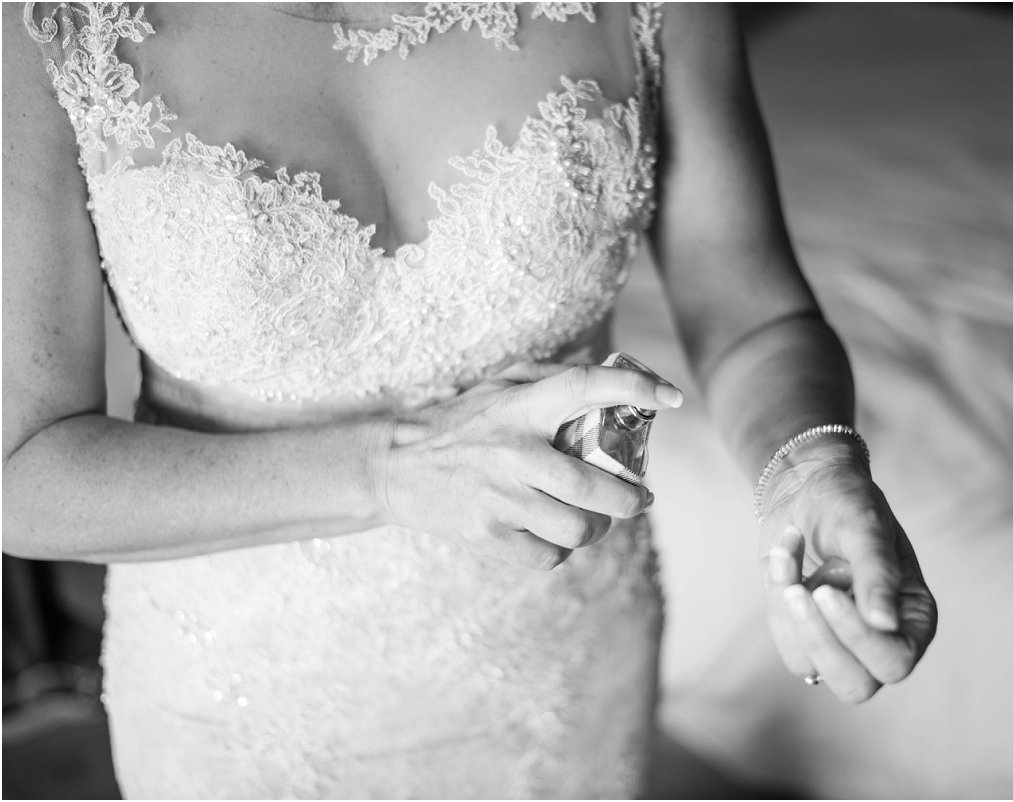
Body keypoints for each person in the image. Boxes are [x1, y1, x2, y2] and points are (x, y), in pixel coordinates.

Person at [3, 2, 937, 797]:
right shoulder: (48, 23)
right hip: (240, 695)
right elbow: (23, 470)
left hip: (563, 662)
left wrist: (812, 463)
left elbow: (751, 312)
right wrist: (392, 470)